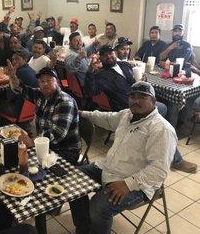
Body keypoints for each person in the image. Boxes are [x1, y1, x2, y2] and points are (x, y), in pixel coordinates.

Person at [60, 81, 177, 234]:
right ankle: (84, 229)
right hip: (109, 168)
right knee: (72, 180)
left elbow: (160, 170)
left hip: (137, 184)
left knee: (99, 205)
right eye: (133, 96)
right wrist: (81, 112)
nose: (136, 101)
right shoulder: (126, 115)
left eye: (142, 97)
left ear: (153, 101)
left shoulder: (161, 130)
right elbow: (105, 118)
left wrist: (128, 184)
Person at [84, 45, 197, 173]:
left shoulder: (125, 65)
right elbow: (90, 92)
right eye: (105, 55)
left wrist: (143, 80)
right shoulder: (101, 75)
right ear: (101, 58)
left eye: (111, 53)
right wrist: (90, 72)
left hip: (140, 101)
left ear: (114, 53)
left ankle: (166, 147)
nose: (109, 56)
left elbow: (135, 82)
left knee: (170, 105)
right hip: (125, 106)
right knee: (162, 113)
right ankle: (176, 159)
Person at [7, 65, 80, 164]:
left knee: (33, 166)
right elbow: (20, 88)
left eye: (49, 80)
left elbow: (57, 133)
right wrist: (12, 76)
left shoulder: (64, 102)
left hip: (65, 151)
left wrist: (33, 141)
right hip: (46, 145)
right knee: (15, 158)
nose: (45, 84)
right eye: (42, 81)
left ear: (57, 82)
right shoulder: (40, 95)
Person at [0, 49, 38, 119]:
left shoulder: (19, 73)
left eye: (17, 59)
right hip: (32, 109)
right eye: (13, 59)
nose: (14, 62)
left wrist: (11, 77)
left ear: (25, 60)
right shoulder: (31, 70)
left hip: (19, 111)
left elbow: (10, 97)